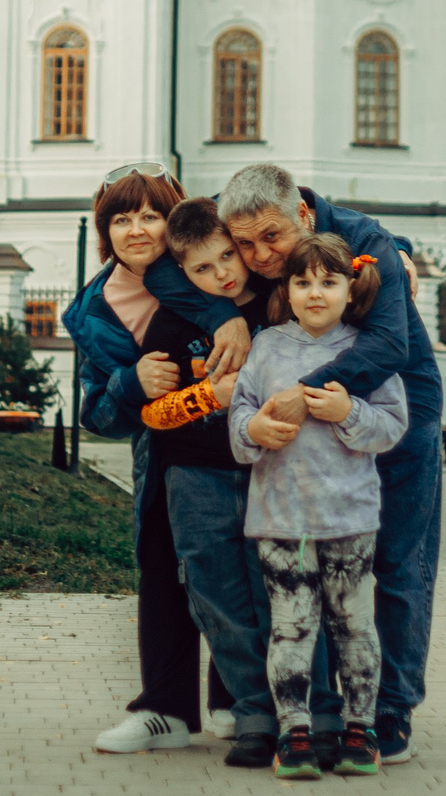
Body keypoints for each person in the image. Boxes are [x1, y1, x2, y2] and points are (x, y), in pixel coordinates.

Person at [145, 161, 442, 765]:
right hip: (317, 436)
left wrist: (298, 395)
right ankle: (322, 717)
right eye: (244, 244)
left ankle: (392, 712)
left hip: (397, 407)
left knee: (398, 562)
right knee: (320, 576)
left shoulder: (366, 246)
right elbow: (164, 268)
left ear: (303, 215)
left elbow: (388, 346)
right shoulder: (252, 242)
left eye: (270, 238)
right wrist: (220, 315)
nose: (257, 256)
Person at [60, 164, 251, 755]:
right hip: (170, 459)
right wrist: (130, 382)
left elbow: (302, 228)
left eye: (150, 215)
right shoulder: (95, 310)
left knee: (243, 575)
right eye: (120, 219)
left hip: (254, 448)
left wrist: (392, 250)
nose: (137, 229)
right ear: (104, 233)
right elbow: (96, 413)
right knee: (168, 576)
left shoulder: (210, 264)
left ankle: (236, 701)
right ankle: (165, 711)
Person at [230, 234, 409, 779]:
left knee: (354, 623)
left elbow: (392, 427)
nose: (314, 293)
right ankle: (295, 733)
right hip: (280, 519)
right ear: (285, 288)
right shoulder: (265, 348)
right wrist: (255, 429)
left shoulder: (364, 352)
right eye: (302, 281)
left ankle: (360, 729)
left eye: (328, 282)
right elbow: (239, 423)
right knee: (291, 627)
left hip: (348, 517)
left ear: (350, 288)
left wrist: (347, 410)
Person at [136, 197, 280, 767]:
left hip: (267, 473)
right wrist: (207, 396)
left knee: (275, 598)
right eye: (202, 268)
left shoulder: (276, 311)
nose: (222, 273)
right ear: (182, 273)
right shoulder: (171, 322)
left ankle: (290, 712)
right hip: (195, 479)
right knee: (218, 600)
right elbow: (155, 414)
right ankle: (252, 718)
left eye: (227, 257)